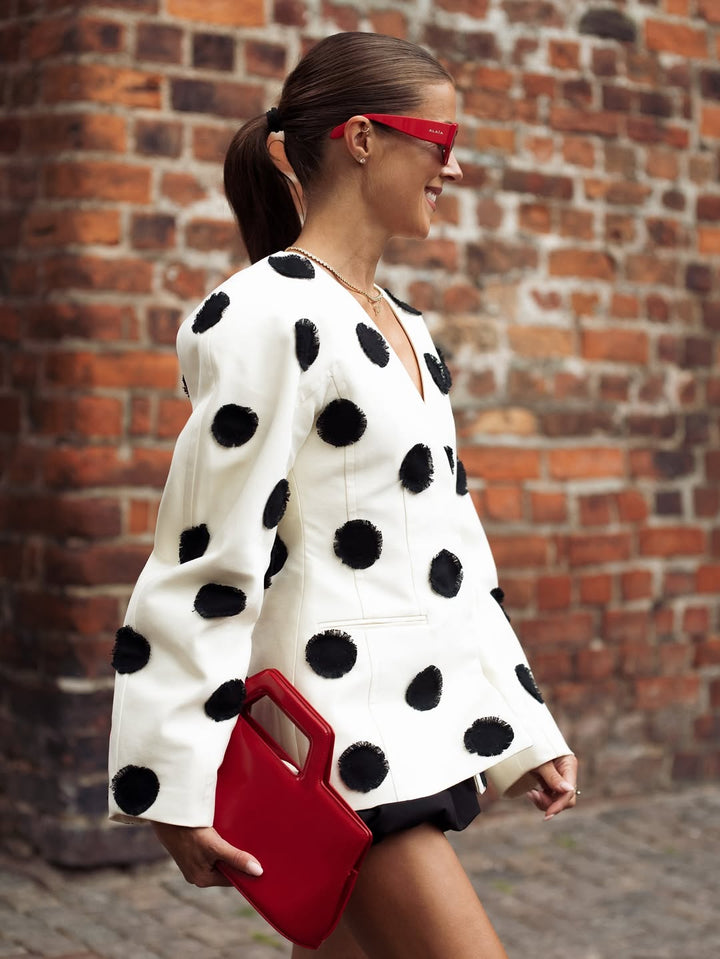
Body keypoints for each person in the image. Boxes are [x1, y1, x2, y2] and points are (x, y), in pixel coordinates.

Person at [108, 31, 578, 959]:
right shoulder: (265, 313)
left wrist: (524, 726)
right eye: (438, 140)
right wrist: (169, 777)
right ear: (362, 139)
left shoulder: (410, 328)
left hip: (421, 732)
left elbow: (450, 551)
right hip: (343, 750)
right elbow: (207, 557)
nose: (455, 164)